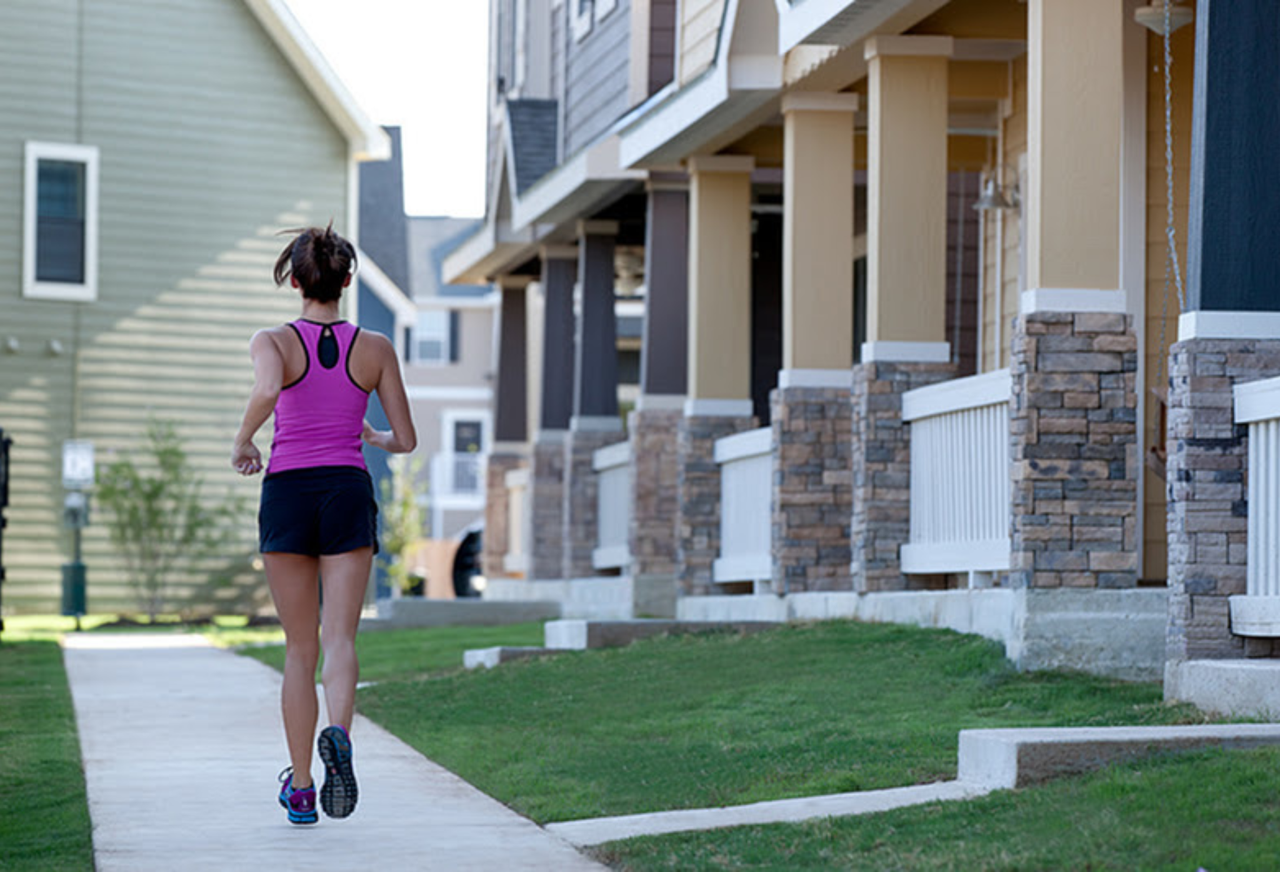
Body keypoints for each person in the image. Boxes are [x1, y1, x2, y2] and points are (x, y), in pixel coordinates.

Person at [231, 225, 416, 825]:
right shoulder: (376, 347)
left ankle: (303, 788)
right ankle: (339, 736)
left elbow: (265, 390)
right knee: (340, 640)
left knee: (298, 647)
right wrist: (372, 434)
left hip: (287, 490)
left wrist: (243, 441)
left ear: (293, 280)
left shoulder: (273, 342)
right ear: (346, 280)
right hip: (346, 490)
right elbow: (406, 440)